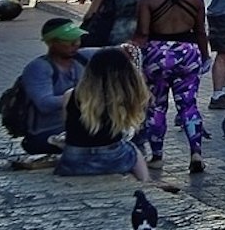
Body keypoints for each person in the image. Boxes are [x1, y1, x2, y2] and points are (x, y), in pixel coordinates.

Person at [133, 0, 210, 172]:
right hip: (188, 52)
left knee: (156, 105)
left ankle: (157, 156)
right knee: (188, 105)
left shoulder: (147, 0)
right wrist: (205, 56)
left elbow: (143, 33)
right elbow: (201, 31)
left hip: (157, 53)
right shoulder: (195, 0)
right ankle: (196, 152)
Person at [56, 47, 154, 180]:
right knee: (134, 151)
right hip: (112, 158)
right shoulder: (122, 99)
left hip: (73, 160)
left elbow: (68, 128)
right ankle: (145, 183)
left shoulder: (70, 95)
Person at [13, 19, 85, 161]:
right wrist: (82, 96)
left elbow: (108, 52)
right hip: (44, 134)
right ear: (51, 43)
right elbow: (44, 103)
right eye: (68, 41)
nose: (75, 44)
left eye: (77, 39)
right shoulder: (39, 68)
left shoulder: (80, 60)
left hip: (72, 128)